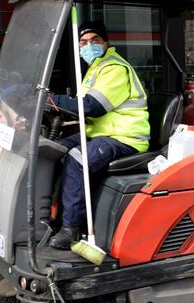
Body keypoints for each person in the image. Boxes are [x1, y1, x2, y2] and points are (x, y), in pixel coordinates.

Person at [48, 21, 150, 249]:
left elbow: (92, 106)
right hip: (101, 133)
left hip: (125, 137)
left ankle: (71, 229)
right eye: (83, 42)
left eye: (95, 40)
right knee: (54, 150)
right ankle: (51, 216)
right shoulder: (96, 68)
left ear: (106, 43)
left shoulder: (114, 68)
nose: (89, 45)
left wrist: (54, 101)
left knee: (77, 159)